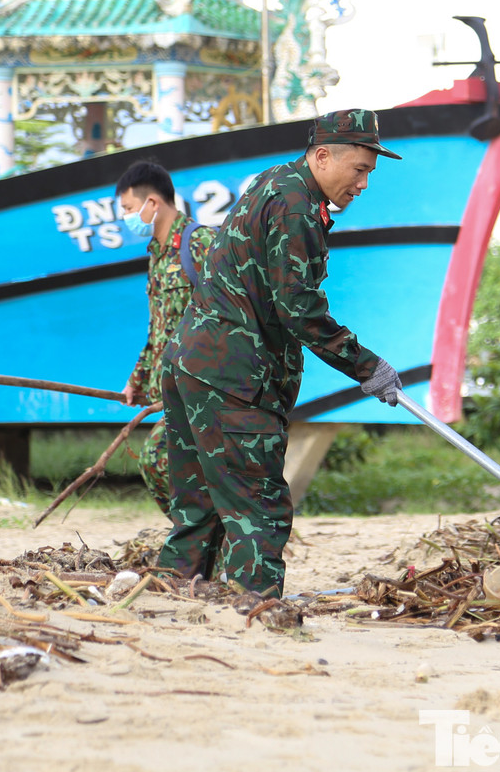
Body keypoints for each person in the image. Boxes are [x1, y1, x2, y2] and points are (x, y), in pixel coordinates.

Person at [156, 109, 405, 598]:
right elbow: (298, 307)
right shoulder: (296, 206)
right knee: (259, 506)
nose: (364, 184)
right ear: (323, 156)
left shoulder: (276, 182)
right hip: (233, 378)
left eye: (370, 173)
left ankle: (168, 602)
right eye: (360, 170)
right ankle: (257, 608)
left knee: (200, 506)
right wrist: (366, 365)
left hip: (192, 364)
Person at [115, 161, 217, 515]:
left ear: (152, 203)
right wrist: (138, 380)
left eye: (129, 209)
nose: (126, 218)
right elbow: (159, 328)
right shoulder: (157, 255)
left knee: (157, 458)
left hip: (204, 390)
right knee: (182, 471)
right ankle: (201, 550)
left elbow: (236, 313)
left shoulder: (201, 243)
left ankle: (195, 543)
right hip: (173, 390)